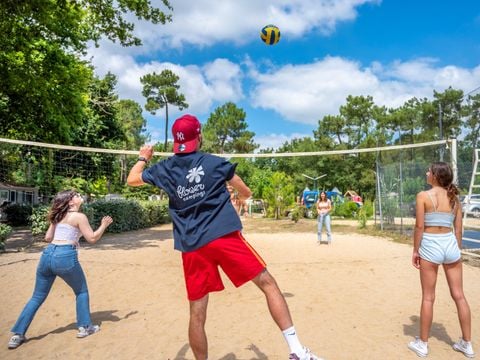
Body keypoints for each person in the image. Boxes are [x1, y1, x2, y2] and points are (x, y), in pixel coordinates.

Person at [127, 114, 321, 360]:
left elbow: (132, 179)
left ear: (176, 142)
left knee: (197, 312)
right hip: (222, 236)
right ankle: (297, 351)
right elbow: (246, 191)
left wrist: (144, 157)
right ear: (199, 137)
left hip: (192, 247)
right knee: (268, 284)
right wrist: (238, 193)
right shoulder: (215, 163)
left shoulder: (164, 169)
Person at [8, 190, 113, 349]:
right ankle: (85, 327)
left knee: (37, 297)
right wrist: (104, 225)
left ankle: (17, 335)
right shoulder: (79, 217)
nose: (79, 196)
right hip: (64, 256)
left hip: (47, 255)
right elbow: (92, 238)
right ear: (71, 202)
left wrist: (55, 222)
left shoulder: (58, 217)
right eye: (76, 195)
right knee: (81, 291)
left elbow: (48, 238)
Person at [408, 162, 475, 358]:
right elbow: (459, 230)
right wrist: (456, 249)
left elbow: (419, 227)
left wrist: (415, 250)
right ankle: (467, 344)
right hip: (450, 245)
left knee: (428, 297)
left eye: (429, 170)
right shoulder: (454, 198)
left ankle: (422, 344)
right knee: (459, 295)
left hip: (430, 244)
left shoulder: (423, 196)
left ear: (436, 175)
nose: (426, 172)